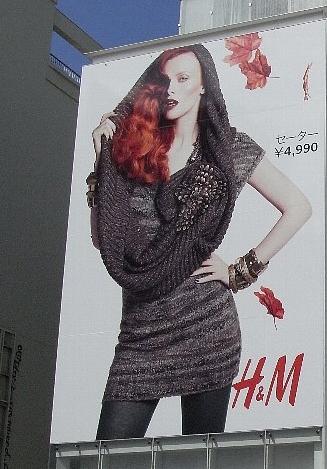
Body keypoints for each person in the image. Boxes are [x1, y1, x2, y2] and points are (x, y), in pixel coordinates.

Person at [89, 43, 312, 441]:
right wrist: (101, 160)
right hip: (140, 334)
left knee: (201, 466)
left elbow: (298, 206)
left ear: (204, 84)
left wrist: (240, 271)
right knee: (105, 464)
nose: (171, 89)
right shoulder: (135, 148)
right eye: (165, 80)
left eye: (183, 78)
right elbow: (102, 239)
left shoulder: (230, 149)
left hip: (207, 329)